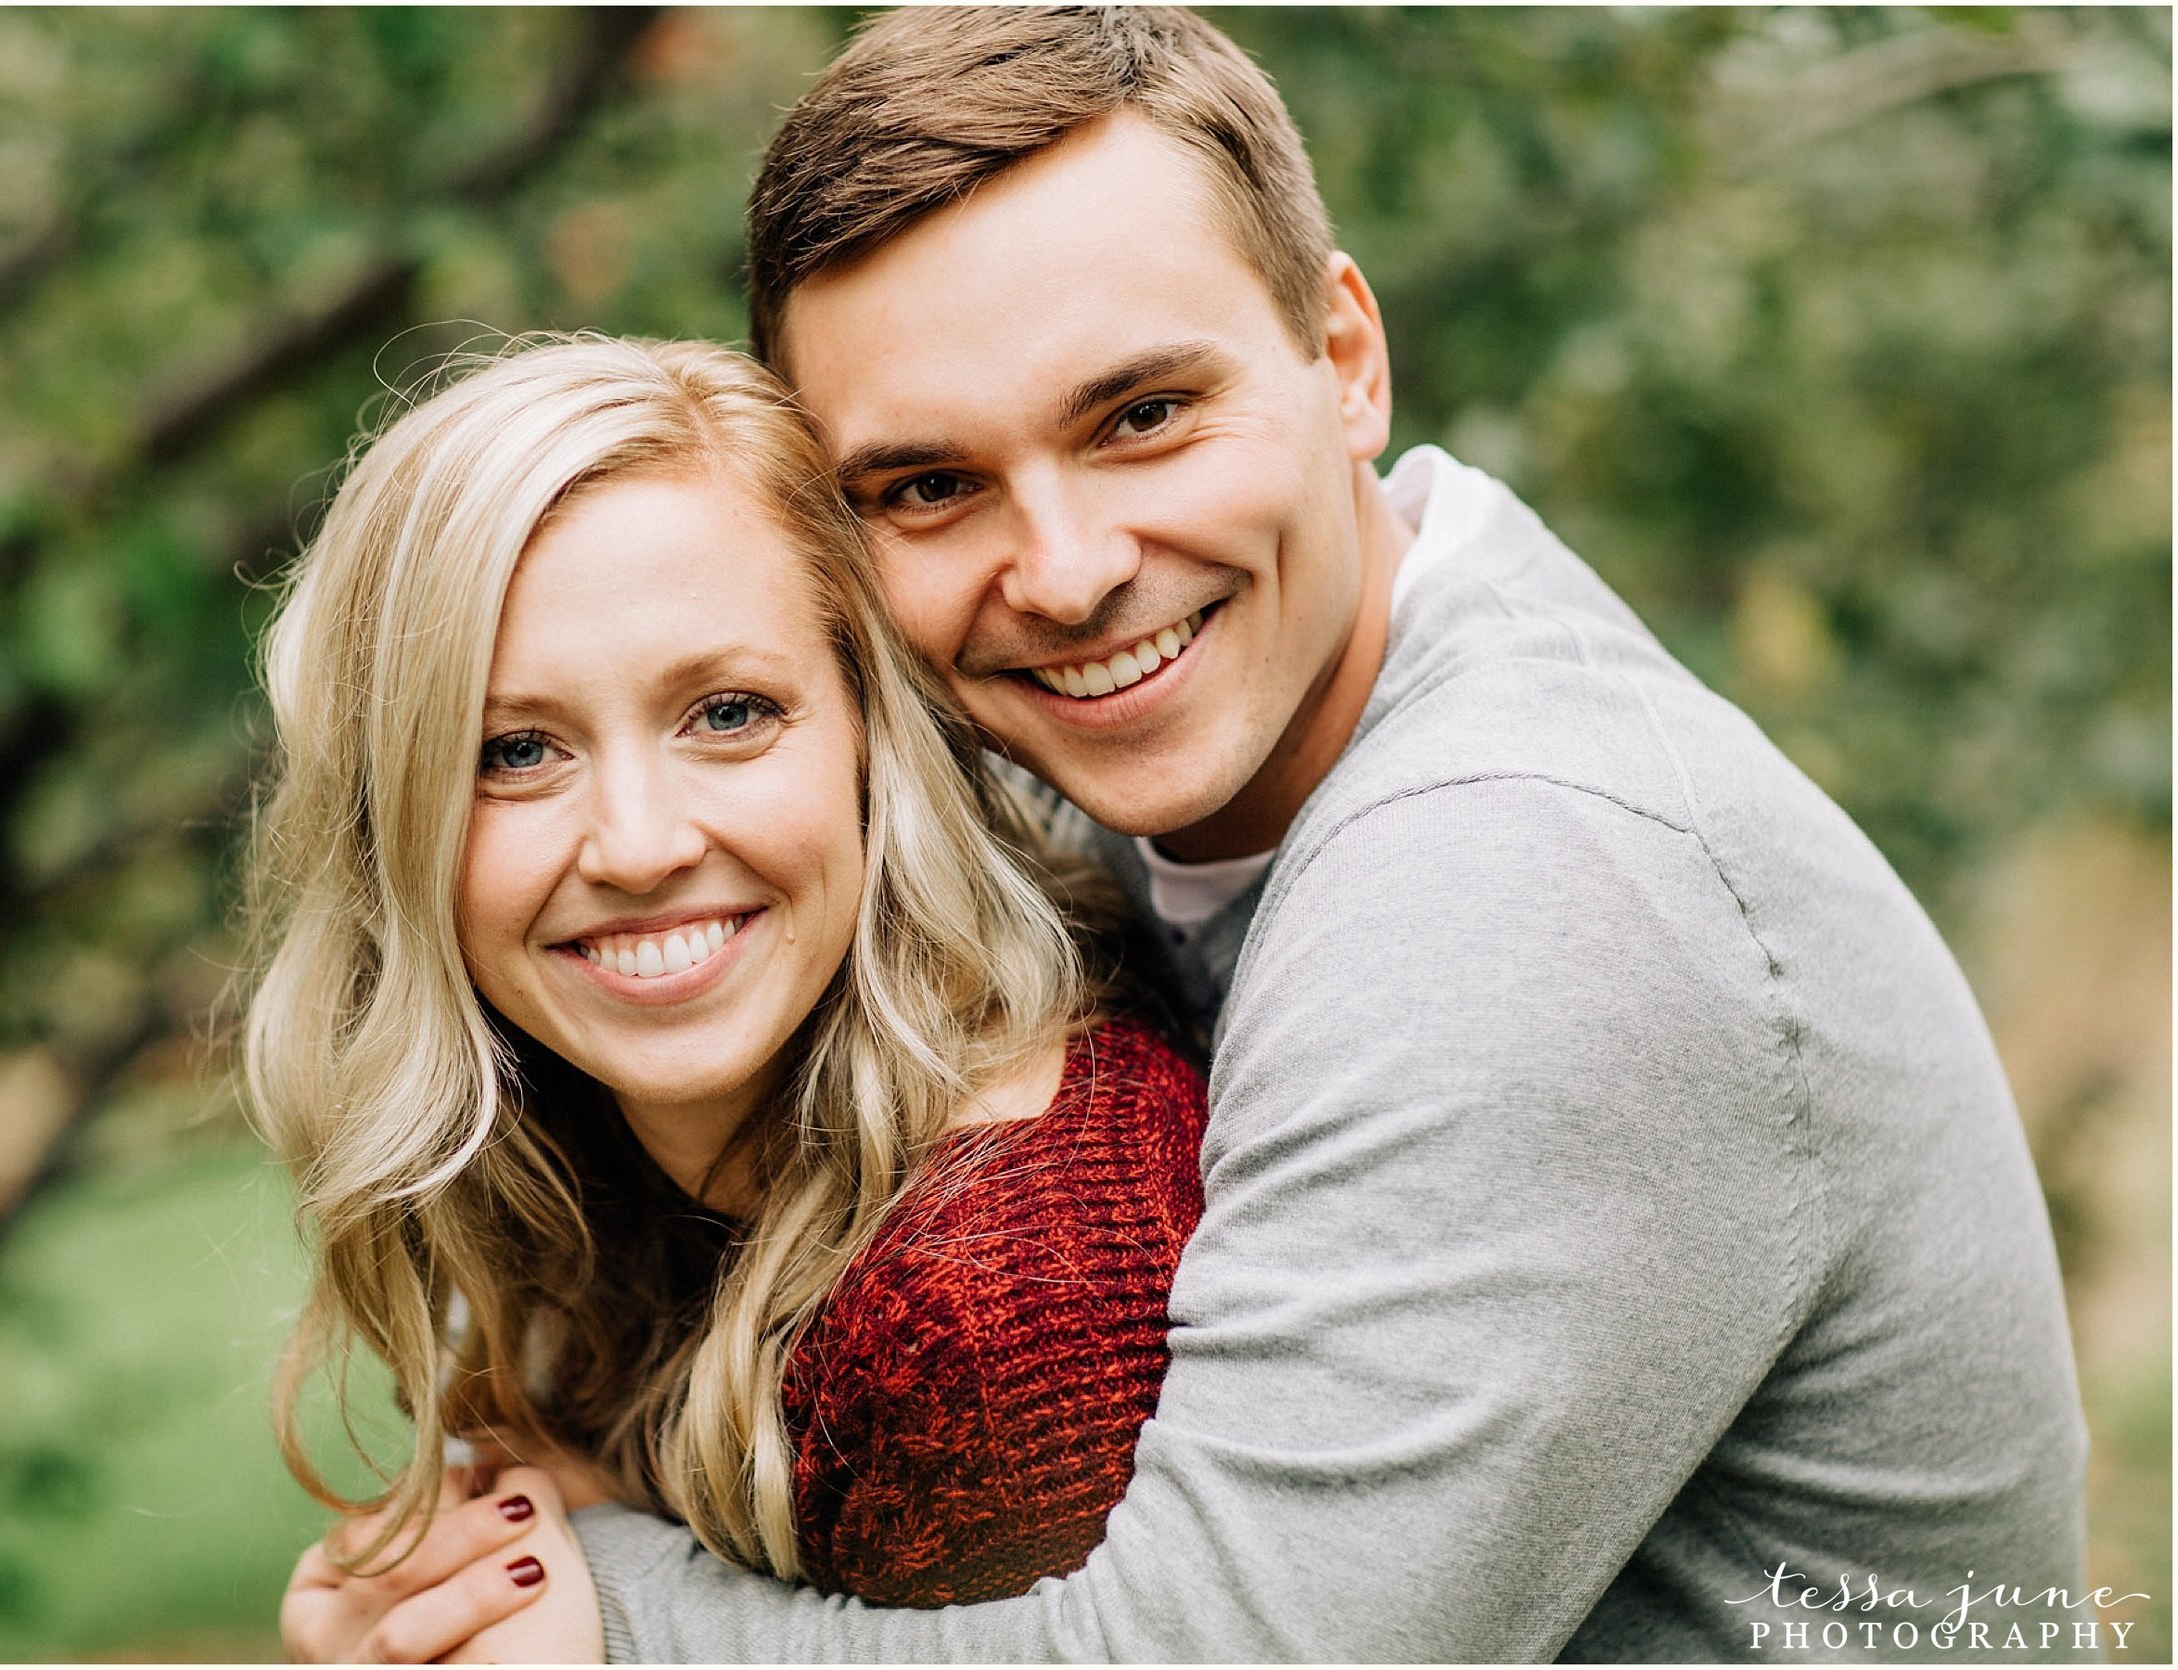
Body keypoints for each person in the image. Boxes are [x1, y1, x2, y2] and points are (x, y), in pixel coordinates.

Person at [431, 8, 2092, 1661]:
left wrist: (586, 1608)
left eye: (1141, 414)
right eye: (932, 485)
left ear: (1346, 360)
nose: (1068, 570)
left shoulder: (1521, 879)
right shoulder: (1114, 759)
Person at [246, 335, 1214, 1662]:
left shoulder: (997, 1301)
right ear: (394, 818)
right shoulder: (597, 1151)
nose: (637, 843)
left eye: (728, 712)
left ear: (872, 728)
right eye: (516, 751)